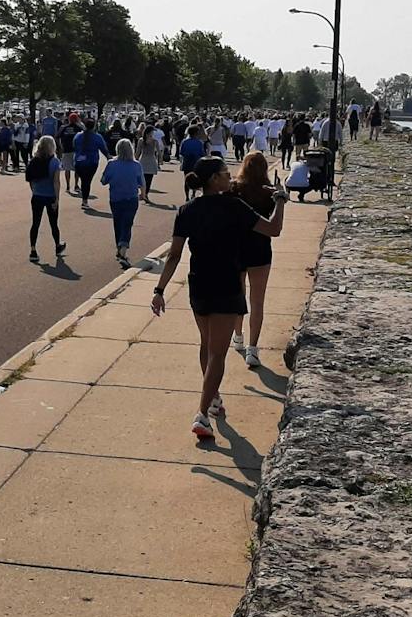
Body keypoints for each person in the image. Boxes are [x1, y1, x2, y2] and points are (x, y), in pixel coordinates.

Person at [149, 156, 285, 441]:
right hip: (226, 285)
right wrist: (281, 201)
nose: (230, 178)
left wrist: (159, 291)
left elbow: (174, 255)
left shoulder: (187, 210)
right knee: (217, 354)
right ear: (213, 179)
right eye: (225, 174)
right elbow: (273, 230)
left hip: (199, 285)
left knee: (206, 344)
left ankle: (213, 398)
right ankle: (202, 414)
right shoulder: (234, 207)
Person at [230, 151, 279, 370]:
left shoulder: (235, 189)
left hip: (237, 249)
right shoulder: (267, 193)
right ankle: (253, 348)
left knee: (238, 297)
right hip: (260, 249)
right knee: (257, 301)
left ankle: (238, 336)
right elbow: (274, 223)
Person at [100, 139, 145, 267]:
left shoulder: (112, 164)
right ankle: (123, 248)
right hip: (131, 198)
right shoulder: (136, 165)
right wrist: (143, 194)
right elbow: (141, 182)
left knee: (118, 223)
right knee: (127, 223)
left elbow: (103, 180)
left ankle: (120, 248)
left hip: (116, 198)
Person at [25, 135, 65, 264]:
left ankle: (33, 249)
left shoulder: (33, 161)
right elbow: (56, 182)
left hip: (37, 195)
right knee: (54, 224)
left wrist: (35, 191)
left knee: (35, 223)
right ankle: (57, 245)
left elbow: (30, 180)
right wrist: (57, 199)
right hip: (49, 195)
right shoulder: (54, 161)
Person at [73, 120, 109, 209]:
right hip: (91, 162)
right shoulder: (97, 137)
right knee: (87, 181)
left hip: (79, 161)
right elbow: (103, 149)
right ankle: (84, 201)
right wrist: (108, 157)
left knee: (84, 181)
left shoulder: (78, 136)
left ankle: (84, 199)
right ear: (94, 126)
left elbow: (74, 146)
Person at [178, 124, 206, 201]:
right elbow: (202, 153)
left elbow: (182, 152)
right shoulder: (199, 142)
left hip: (187, 163)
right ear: (196, 133)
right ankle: (193, 194)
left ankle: (187, 196)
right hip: (196, 163)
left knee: (186, 180)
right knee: (195, 179)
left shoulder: (184, 142)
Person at [57, 114, 79, 194]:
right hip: (76, 151)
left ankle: (68, 186)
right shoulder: (78, 128)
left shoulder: (64, 128)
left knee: (67, 169)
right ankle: (76, 185)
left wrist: (60, 146)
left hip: (66, 150)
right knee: (77, 169)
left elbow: (57, 136)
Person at [139, 128, 161, 203]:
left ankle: (143, 194)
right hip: (151, 161)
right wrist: (159, 162)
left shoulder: (141, 140)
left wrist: (135, 161)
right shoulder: (155, 141)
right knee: (149, 180)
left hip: (143, 161)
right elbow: (159, 153)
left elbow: (137, 153)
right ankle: (145, 194)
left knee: (143, 179)